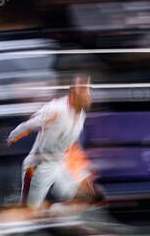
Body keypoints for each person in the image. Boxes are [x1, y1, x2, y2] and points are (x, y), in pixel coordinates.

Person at [8, 76, 95, 208]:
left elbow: (71, 145)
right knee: (28, 211)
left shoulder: (81, 115)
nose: (89, 94)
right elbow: (29, 126)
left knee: (82, 197)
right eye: (84, 89)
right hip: (38, 166)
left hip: (60, 164)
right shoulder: (56, 109)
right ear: (73, 92)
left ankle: (52, 218)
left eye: (89, 89)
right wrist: (10, 139)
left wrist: (82, 173)